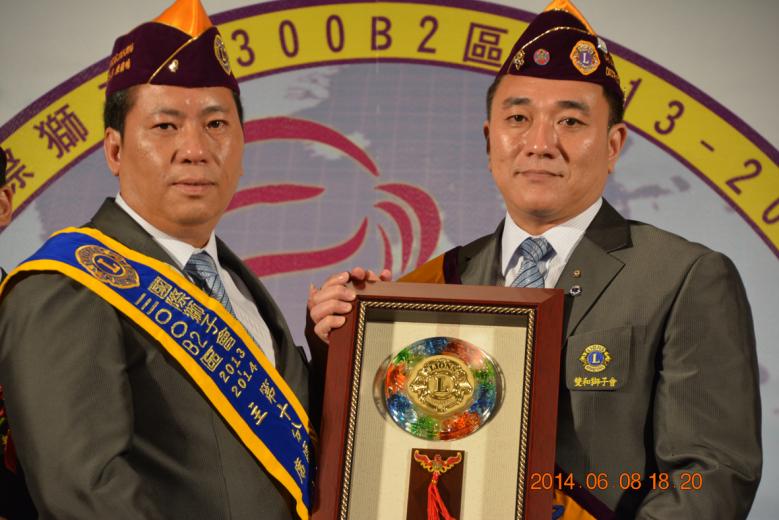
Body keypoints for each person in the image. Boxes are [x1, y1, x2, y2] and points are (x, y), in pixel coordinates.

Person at [308, 1, 762, 518]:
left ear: (613, 145)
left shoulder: (682, 277)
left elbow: (712, 473)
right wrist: (338, 340)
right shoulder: (439, 283)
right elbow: (378, 447)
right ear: (490, 140)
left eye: (570, 121)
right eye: (518, 118)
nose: (540, 143)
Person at [0, 1, 321, 518]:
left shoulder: (237, 286)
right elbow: (85, 493)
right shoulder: (67, 286)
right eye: (166, 126)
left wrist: (335, 349)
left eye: (216, 123)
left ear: (243, 145)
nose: (195, 149)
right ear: (114, 151)